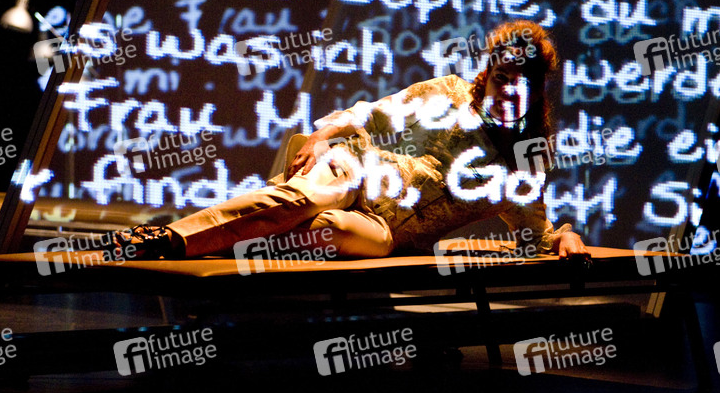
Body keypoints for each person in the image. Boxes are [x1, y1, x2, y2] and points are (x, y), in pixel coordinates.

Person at [111, 20, 589, 261]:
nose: (509, 91)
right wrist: (323, 134)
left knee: (326, 229)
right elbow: (372, 114)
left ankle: (218, 247)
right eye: (502, 78)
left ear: (536, 90)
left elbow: (536, 230)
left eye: (521, 83)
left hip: (387, 229)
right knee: (304, 199)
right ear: (488, 74)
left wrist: (565, 236)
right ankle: (167, 240)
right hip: (360, 169)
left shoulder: (519, 162)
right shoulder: (446, 93)